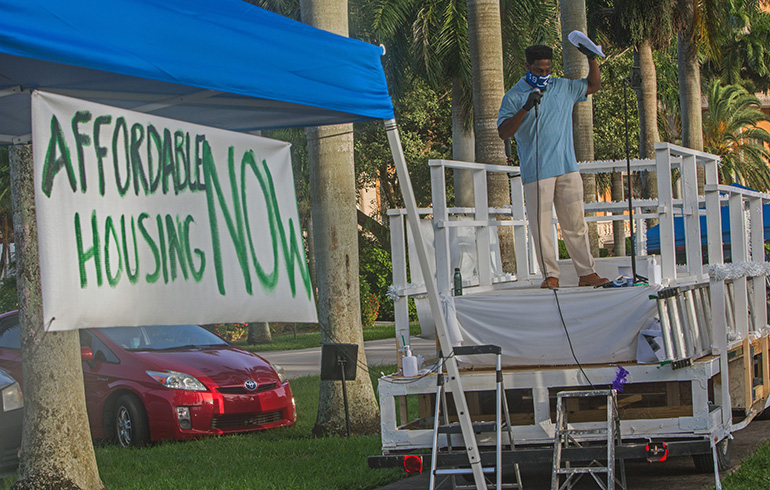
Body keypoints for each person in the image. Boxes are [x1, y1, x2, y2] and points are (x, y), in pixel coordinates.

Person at [497, 43, 609, 289]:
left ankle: (587, 273)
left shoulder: (562, 86)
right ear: (527, 66)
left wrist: (591, 59)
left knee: (575, 224)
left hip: (567, 167)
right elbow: (504, 132)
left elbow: (593, 85)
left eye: (547, 69)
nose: (543, 74)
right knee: (541, 227)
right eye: (538, 69)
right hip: (537, 172)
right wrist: (526, 107)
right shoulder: (514, 95)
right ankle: (550, 275)